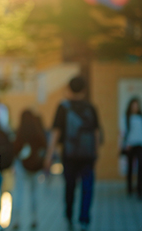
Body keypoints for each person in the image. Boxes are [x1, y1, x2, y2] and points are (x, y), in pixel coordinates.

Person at [44, 76, 100, 231]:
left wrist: (49, 156)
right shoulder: (91, 107)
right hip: (88, 155)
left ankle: (69, 217)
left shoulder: (63, 107)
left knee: (69, 187)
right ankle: (84, 220)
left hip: (69, 155)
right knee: (87, 187)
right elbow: (96, 133)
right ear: (84, 90)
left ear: (69, 89)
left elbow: (55, 132)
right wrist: (95, 153)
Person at [11, 109, 47, 229]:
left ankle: (16, 220)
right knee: (34, 193)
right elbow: (44, 147)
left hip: (22, 167)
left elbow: (15, 150)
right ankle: (34, 218)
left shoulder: (19, 133)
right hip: (36, 167)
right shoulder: (38, 133)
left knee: (19, 192)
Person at [121, 97, 142, 199]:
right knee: (130, 168)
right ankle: (129, 189)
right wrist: (124, 144)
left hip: (141, 144)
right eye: (133, 106)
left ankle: (140, 191)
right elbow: (123, 132)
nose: (135, 108)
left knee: (141, 168)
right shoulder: (126, 117)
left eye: (136, 106)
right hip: (130, 145)